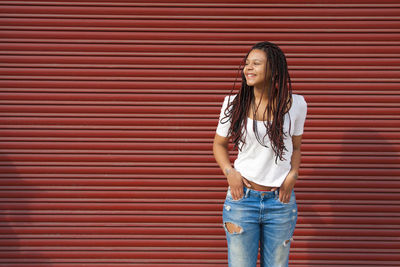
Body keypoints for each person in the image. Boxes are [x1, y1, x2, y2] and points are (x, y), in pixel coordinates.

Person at [213, 41, 307, 267]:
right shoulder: (233, 104)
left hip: (280, 203)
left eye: (256, 63)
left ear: (274, 70)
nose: (248, 68)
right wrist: (230, 173)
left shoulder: (296, 105)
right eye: (247, 64)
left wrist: (293, 175)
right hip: (242, 200)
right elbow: (218, 144)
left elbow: (296, 147)